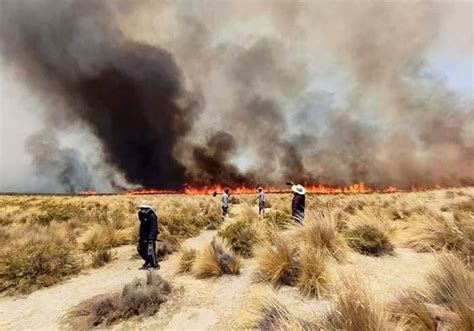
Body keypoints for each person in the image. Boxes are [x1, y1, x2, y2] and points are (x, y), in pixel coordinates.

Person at [137, 201, 159, 270]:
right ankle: (147, 262)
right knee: (140, 249)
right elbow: (142, 225)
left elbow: (154, 228)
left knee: (150, 250)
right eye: (141, 208)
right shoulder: (141, 214)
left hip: (150, 236)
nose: (142, 210)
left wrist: (151, 238)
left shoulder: (152, 216)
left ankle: (155, 265)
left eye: (144, 208)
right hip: (143, 235)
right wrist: (141, 235)